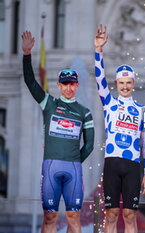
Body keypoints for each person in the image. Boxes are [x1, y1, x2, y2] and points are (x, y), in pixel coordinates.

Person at [21, 31, 94, 233]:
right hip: (51, 167)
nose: (69, 89)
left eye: (72, 85)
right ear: (59, 85)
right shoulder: (49, 103)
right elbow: (30, 82)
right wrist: (26, 54)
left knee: (73, 217)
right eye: (65, 85)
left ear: (77, 86)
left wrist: (74, 160)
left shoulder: (84, 112)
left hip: (74, 169)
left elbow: (89, 144)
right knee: (50, 217)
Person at [94, 25, 145, 233]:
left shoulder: (144, 110)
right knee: (111, 215)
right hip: (112, 164)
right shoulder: (108, 102)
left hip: (132, 167)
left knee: (130, 215)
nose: (125, 86)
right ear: (116, 83)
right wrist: (98, 50)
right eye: (121, 83)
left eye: (129, 83)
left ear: (133, 83)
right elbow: (99, 79)